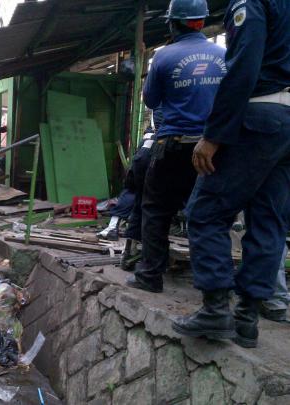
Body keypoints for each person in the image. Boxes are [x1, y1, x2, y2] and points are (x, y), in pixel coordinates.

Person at [172, 0, 290, 348]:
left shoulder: (252, 2)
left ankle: (215, 309)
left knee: (206, 212)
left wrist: (213, 135)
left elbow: (243, 66)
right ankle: (247, 320)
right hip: (286, 127)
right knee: (268, 220)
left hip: (259, 115)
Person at [126, 0, 226, 293]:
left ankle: (150, 276)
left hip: (174, 146)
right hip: (215, 149)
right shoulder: (225, 55)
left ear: (173, 23)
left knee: (156, 210)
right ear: (202, 22)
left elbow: (151, 101)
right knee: (211, 215)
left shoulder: (165, 56)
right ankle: (212, 289)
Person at [120, 126, 156, 270]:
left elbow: (138, 161)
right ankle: (150, 261)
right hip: (160, 158)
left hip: (144, 161)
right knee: (157, 211)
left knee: (141, 205)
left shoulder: (148, 137)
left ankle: (130, 252)